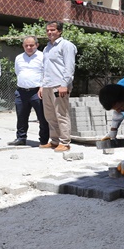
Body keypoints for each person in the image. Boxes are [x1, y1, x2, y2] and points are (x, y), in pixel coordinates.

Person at [39, 21, 77, 152]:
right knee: (49, 115)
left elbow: (69, 67)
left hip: (59, 86)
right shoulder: (47, 48)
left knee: (61, 114)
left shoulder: (67, 46)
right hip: (47, 85)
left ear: (59, 31)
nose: (50, 32)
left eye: (53, 30)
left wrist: (64, 84)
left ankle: (65, 142)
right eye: (48, 30)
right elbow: (45, 69)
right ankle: (54, 141)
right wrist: (42, 86)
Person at [8, 36, 49, 147]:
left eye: (31, 45)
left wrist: (42, 87)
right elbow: (18, 72)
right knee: (21, 116)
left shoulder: (43, 56)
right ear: (23, 46)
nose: (29, 47)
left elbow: (47, 73)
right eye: (26, 45)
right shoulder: (19, 58)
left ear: (37, 45)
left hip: (37, 91)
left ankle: (44, 140)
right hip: (21, 92)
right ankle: (21, 138)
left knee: (42, 117)